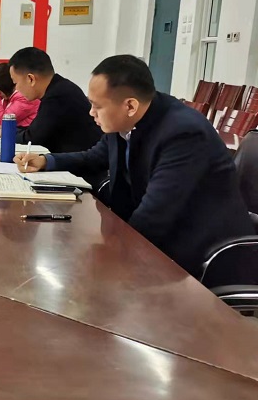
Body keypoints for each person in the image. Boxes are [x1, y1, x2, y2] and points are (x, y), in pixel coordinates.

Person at [15, 54, 254, 281]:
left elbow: (154, 216)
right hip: (159, 245)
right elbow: (95, 157)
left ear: (130, 105)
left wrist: (105, 253)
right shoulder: (128, 120)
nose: (91, 113)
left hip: (202, 257)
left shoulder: (183, 133)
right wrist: (47, 161)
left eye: (97, 106)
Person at [0, 47, 102, 153]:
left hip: (83, 167)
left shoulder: (57, 96)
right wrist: (5, 130)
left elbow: (33, 138)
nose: (16, 89)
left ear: (31, 79)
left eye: (16, 83)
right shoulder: (59, 88)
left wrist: (7, 133)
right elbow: (36, 130)